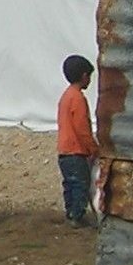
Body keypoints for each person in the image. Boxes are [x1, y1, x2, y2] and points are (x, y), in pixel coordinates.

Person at [57, 55, 101, 226]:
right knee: (81, 185)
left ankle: (70, 213)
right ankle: (77, 216)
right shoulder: (78, 98)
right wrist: (93, 148)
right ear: (84, 76)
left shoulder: (66, 96)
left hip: (64, 150)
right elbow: (82, 128)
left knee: (70, 184)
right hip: (76, 151)